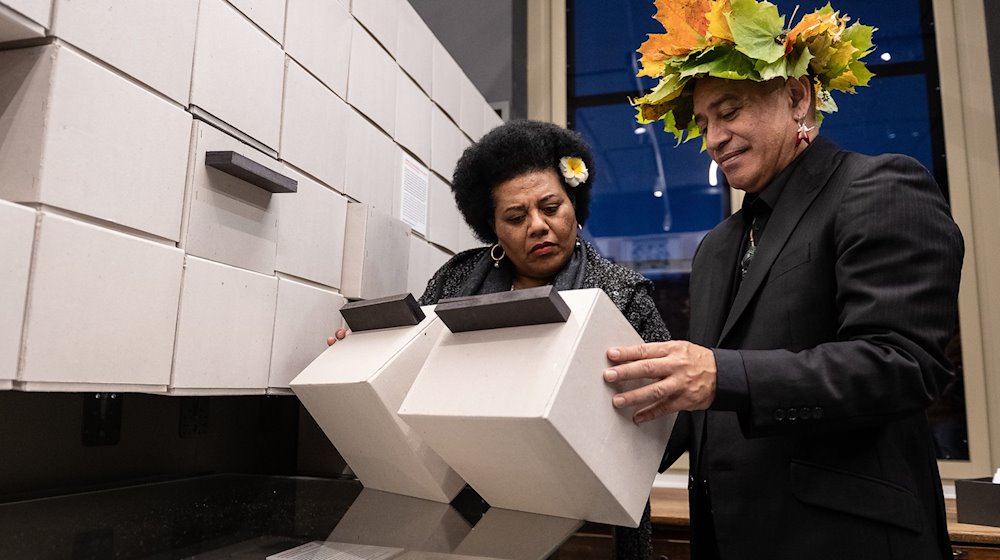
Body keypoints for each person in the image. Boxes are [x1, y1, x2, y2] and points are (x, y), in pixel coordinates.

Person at [602, 2, 964, 559]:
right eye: (703, 124)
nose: (715, 138)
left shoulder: (877, 187)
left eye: (730, 111)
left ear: (797, 97)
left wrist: (721, 374)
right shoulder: (717, 246)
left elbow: (902, 364)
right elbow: (703, 402)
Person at [331, 119, 671, 559]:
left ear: (575, 205)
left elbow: (668, 426)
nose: (538, 225)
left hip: (589, 526)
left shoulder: (622, 295)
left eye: (551, 207)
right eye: (515, 216)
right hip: (473, 514)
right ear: (491, 226)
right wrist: (362, 356)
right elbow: (411, 366)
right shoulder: (457, 278)